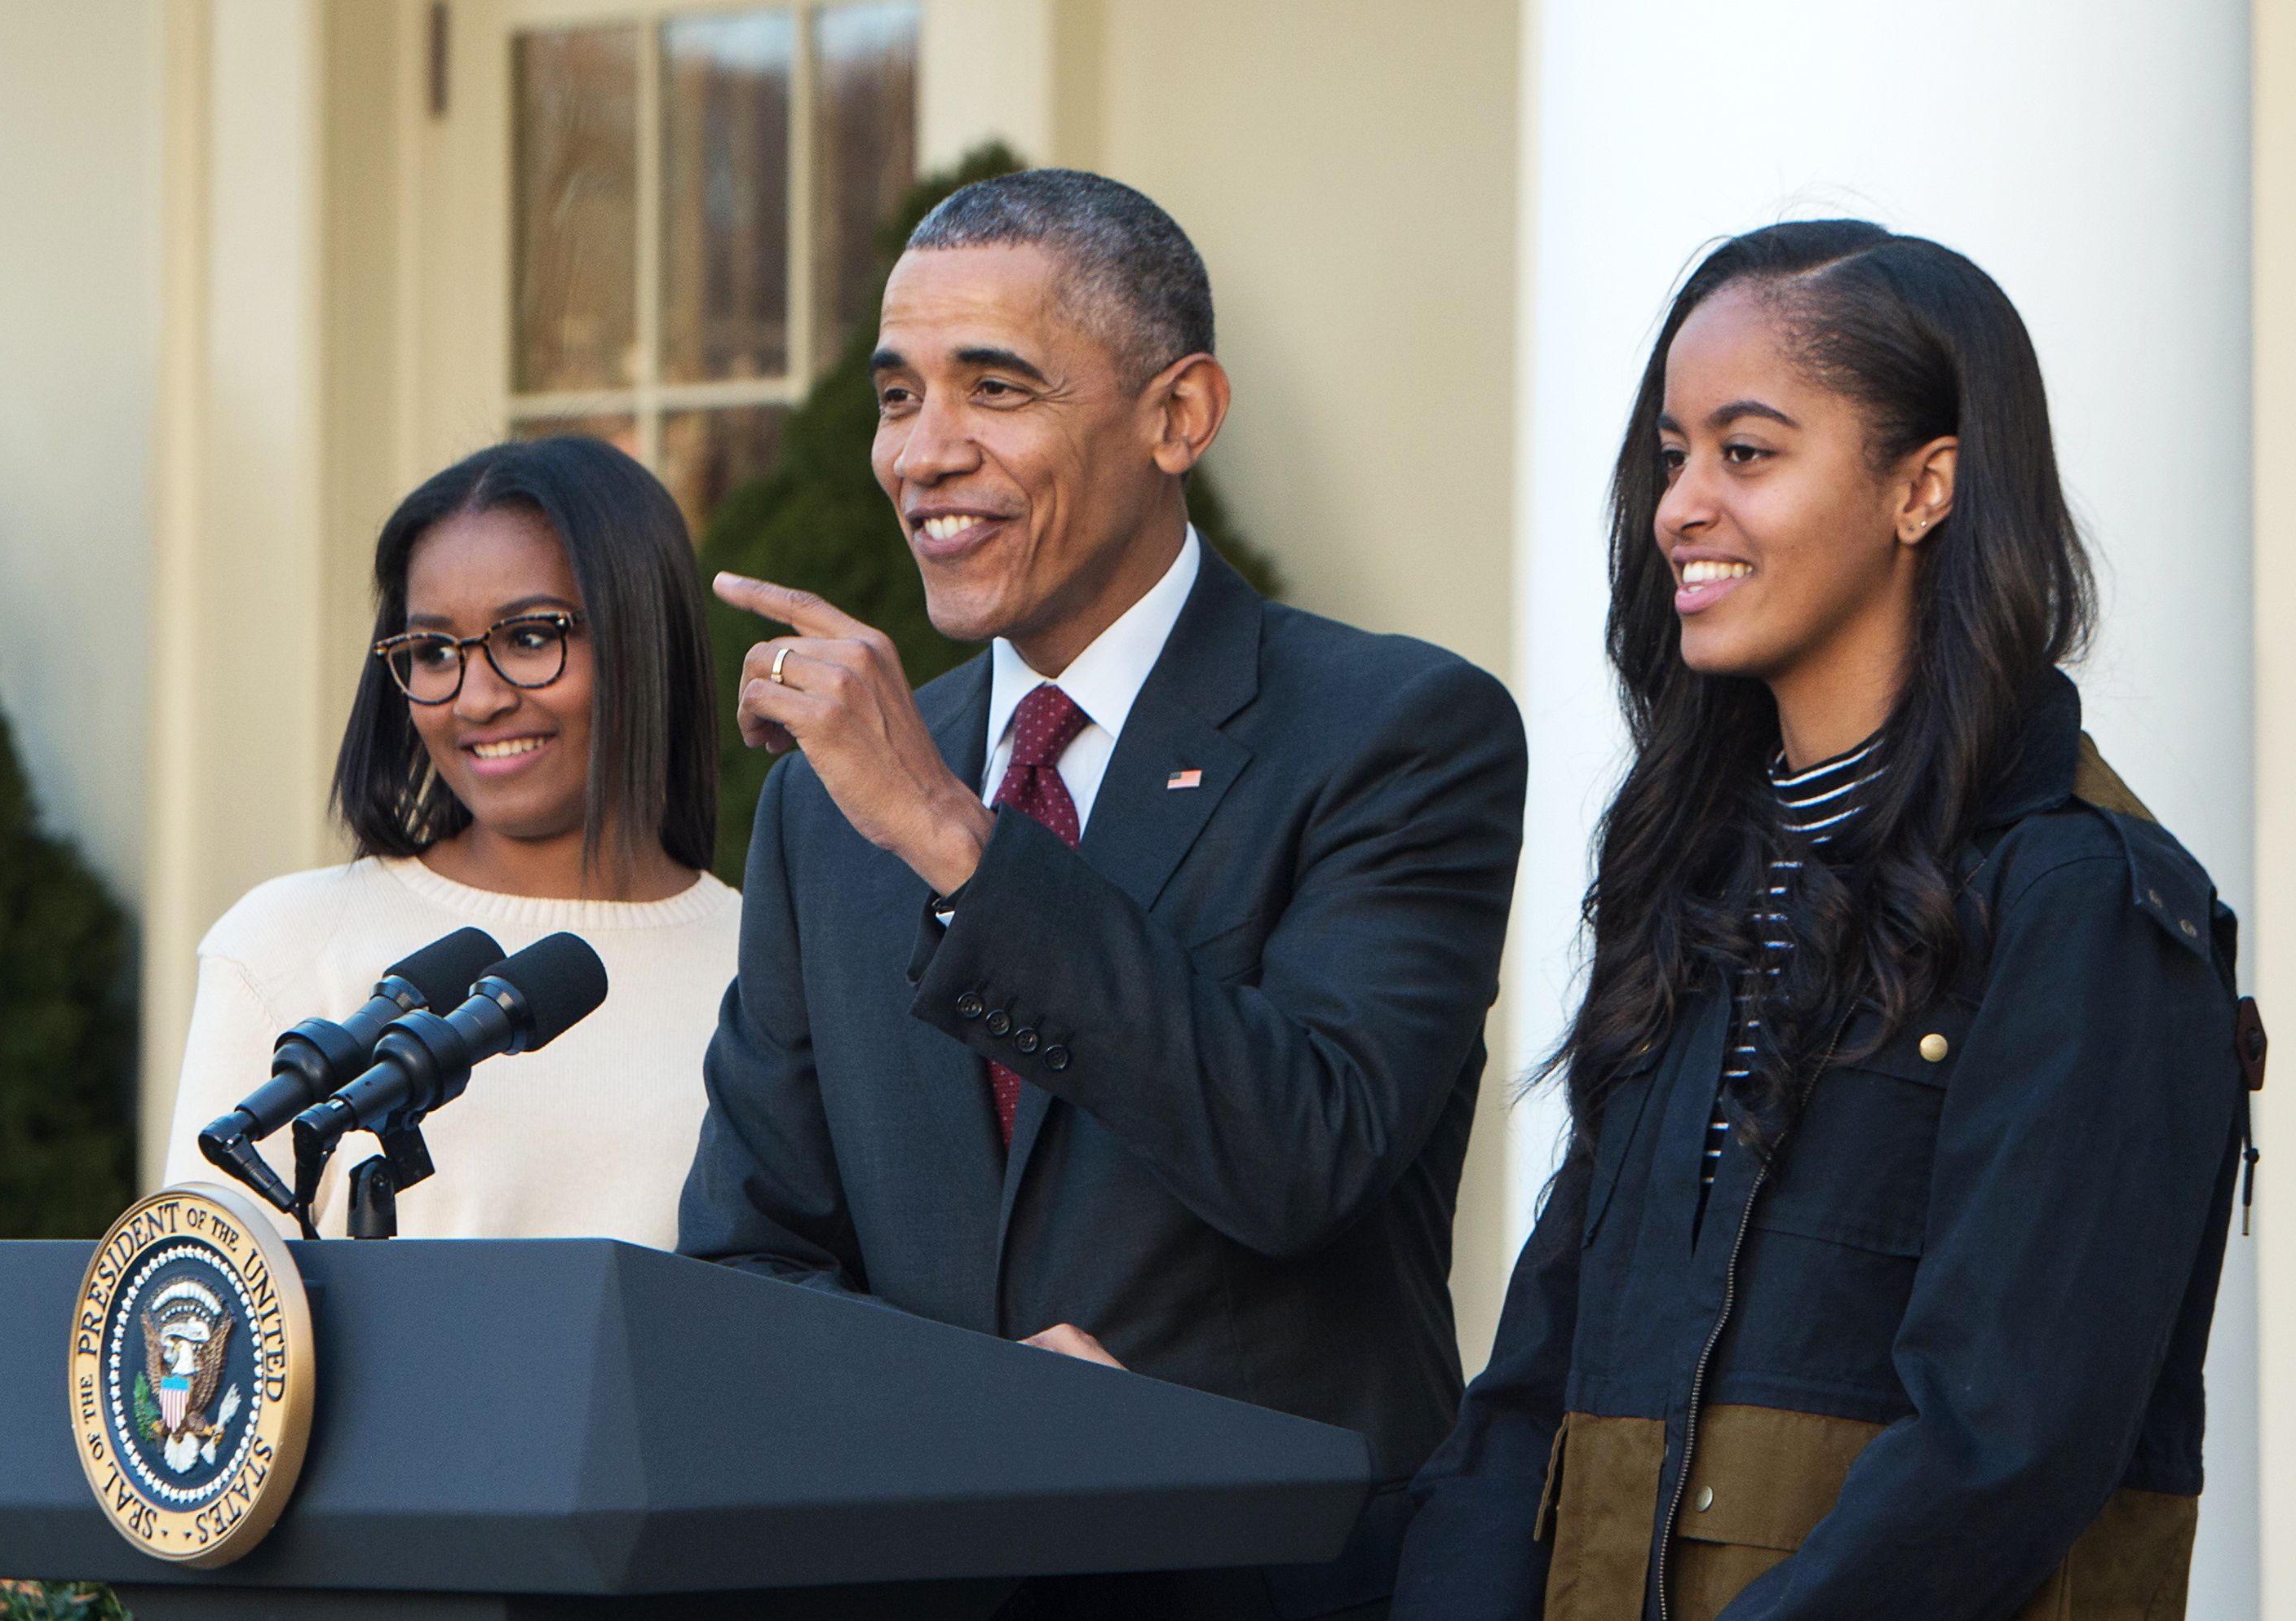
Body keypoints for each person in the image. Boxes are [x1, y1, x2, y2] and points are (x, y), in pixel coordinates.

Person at [677, 168, 1525, 1618]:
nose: (921, 454)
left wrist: (956, 838)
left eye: (993, 389)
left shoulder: (1398, 731)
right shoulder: (830, 802)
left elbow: (1307, 1151)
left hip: (1268, 1585)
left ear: (1179, 416)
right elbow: (750, 1257)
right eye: (896, 396)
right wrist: (967, 1419)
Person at [1394, 221, 2257, 1621]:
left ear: (1925, 486)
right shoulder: (1692, 875)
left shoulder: (2085, 901)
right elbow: (1539, 1381)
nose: (1679, 505)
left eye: (1746, 452)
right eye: (1672, 455)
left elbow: (2005, 1445)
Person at [162, 436, 740, 1247]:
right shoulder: (288, 944)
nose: (476, 699)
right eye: (434, 651)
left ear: (644, 637)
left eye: (531, 637)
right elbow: (197, 1319)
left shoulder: (768, 972)